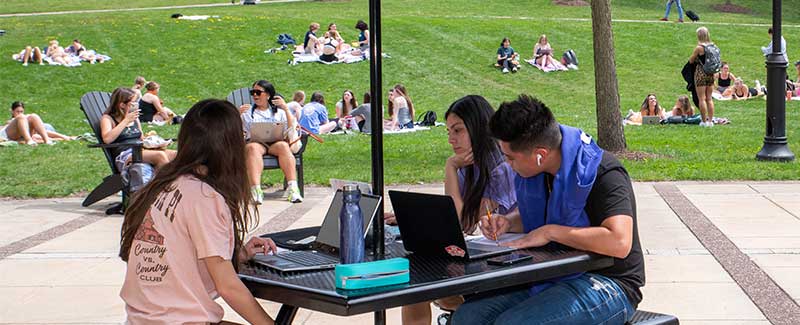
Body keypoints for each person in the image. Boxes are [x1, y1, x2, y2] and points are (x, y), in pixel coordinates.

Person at [452, 94, 643, 324]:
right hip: (551, 274)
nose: (508, 165)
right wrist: (509, 222)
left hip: (609, 283)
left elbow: (619, 242)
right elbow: (542, 212)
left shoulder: (605, 172)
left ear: (540, 155)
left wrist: (550, 232)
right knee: (467, 317)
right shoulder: (538, 172)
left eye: (511, 158)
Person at [119, 98, 278, 325]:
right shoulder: (205, 197)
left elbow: (178, 255)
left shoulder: (162, 184)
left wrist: (237, 254)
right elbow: (229, 287)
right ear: (229, 146)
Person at [397, 95, 518, 325]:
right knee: (413, 287)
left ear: (478, 127)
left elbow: (463, 221)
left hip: (501, 265)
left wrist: (450, 167)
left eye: (458, 130)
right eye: (449, 132)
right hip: (474, 259)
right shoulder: (469, 167)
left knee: (423, 285)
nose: (451, 140)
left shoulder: (502, 168)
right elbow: (452, 218)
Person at [239, 80, 303, 204]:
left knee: (284, 146)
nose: (255, 96)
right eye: (253, 93)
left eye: (258, 92)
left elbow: (291, 129)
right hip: (256, 143)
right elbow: (237, 131)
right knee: (252, 148)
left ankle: (293, 188)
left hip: (276, 143)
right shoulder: (247, 113)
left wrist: (285, 108)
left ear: (268, 95)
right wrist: (237, 114)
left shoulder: (279, 112)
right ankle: (256, 190)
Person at [100, 88, 176, 169]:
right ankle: (164, 181)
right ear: (122, 105)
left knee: (175, 154)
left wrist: (157, 143)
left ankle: (175, 180)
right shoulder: (108, 119)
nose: (136, 105)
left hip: (141, 150)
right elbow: (107, 139)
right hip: (125, 155)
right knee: (160, 156)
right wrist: (126, 121)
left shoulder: (135, 118)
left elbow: (141, 138)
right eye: (133, 103)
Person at [1, 101, 74, 145]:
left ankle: (47, 141)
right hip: (7, 135)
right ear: (12, 111)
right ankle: (29, 141)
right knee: (21, 117)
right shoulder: (10, 121)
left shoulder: (25, 120)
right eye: (17, 111)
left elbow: (42, 132)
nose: (20, 113)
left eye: (21, 111)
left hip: (24, 135)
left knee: (33, 116)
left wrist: (63, 137)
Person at [689, 27, 717, 127]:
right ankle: (711, 121)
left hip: (701, 73)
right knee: (709, 98)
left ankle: (704, 121)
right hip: (711, 74)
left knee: (702, 99)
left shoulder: (699, 48)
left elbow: (691, 60)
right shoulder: (713, 46)